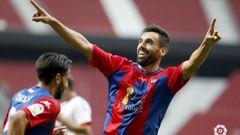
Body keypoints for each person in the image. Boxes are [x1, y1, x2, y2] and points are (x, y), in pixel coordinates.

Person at [30, 0, 221, 134]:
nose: (142, 45)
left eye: (148, 42)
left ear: (162, 51)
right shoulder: (119, 67)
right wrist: (54, 23)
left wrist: (207, 44)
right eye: (140, 41)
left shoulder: (167, 79)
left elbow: (191, 64)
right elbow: (84, 45)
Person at [1, 52, 72, 135]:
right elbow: (17, 118)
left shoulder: (19, 95)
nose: (66, 85)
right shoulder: (50, 104)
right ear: (58, 78)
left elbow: (4, 129)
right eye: (66, 79)